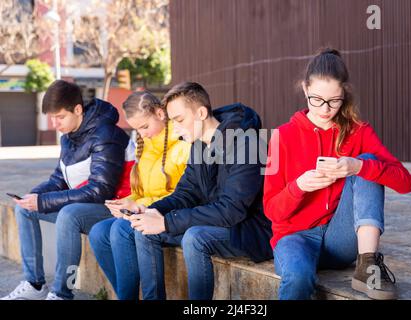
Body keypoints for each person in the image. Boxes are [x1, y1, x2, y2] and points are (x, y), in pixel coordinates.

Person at [263, 48, 411, 300]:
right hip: (295, 237)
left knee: (368, 161)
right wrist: (298, 186)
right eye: (316, 99)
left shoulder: (359, 132)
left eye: (334, 100)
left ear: (344, 93)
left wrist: (358, 167)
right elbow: (272, 211)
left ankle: (368, 265)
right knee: (298, 278)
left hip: (340, 240)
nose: (325, 109)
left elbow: (405, 183)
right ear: (304, 89)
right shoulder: (282, 137)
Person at [118, 81, 273, 300]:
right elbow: (186, 193)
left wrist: (167, 222)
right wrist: (152, 210)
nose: (176, 128)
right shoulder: (199, 144)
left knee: (195, 237)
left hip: (249, 230)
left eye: (180, 120)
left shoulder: (248, 143)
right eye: (173, 121)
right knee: (145, 229)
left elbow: (232, 210)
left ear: (201, 112)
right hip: (219, 221)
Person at [1, 80, 133, 300]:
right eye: (52, 118)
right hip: (89, 203)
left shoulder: (105, 134)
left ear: (78, 110)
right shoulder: (68, 138)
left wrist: (45, 202)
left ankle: (62, 292)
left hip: (115, 205)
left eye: (60, 117)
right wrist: (35, 197)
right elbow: (58, 179)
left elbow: (101, 190)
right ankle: (34, 284)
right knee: (25, 209)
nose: (55, 124)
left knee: (69, 215)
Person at [88, 90, 191, 300]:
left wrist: (141, 207)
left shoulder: (183, 143)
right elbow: (142, 191)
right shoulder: (147, 146)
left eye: (144, 127)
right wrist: (128, 202)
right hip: (147, 210)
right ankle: (126, 295)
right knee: (98, 232)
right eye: (137, 129)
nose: (142, 134)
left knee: (121, 229)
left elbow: (183, 195)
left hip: (171, 214)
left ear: (160, 114)